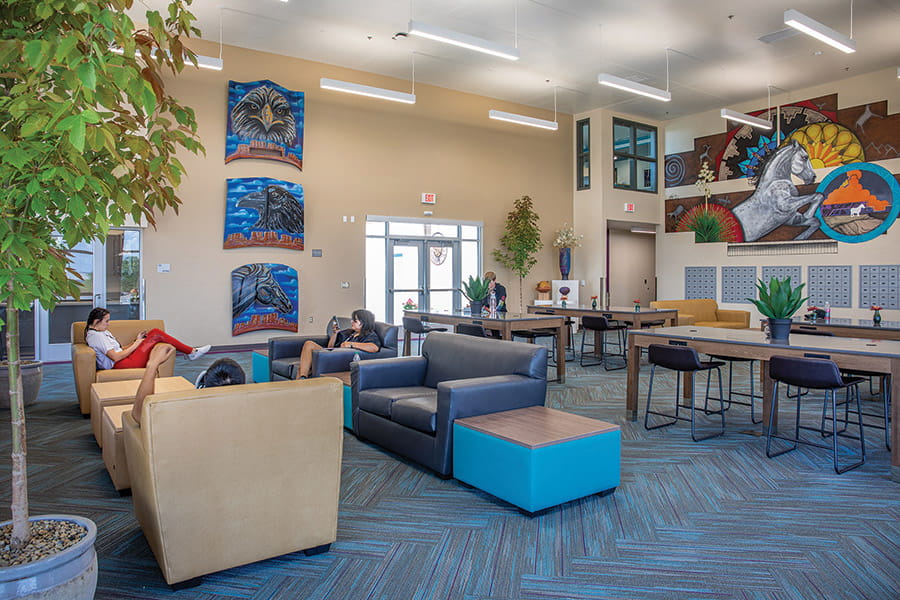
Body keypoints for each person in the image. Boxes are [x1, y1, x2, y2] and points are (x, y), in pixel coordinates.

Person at [131, 348, 245, 424]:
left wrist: (152, 364)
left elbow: (139, 415)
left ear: (202, 386)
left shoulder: (186, 418)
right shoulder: (254, 416)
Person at [84, 307, 210, 370]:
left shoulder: (100, 332)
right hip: (121, 364)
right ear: (96, 321)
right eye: (106, 321)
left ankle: (191, 352)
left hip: (124, 360)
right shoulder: (96, 336)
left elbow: (119, 349)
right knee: (156, 333)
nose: (108, 324)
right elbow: (116, 357)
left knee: (152, 335)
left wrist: (137, 341)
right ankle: (192, 352)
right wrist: (137, 343)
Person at [296, 308, 381, 379]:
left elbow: (374, 347)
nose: (351, 322)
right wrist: (335, 334)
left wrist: (351, 344)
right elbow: (330, 346)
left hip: (338, 360)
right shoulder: (349, 332)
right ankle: (302, 379)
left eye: (355, 320)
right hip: (330, 354)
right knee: (305, 354)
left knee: (309, 346)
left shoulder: (369, 334)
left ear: (363, 322)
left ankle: (303, 380)